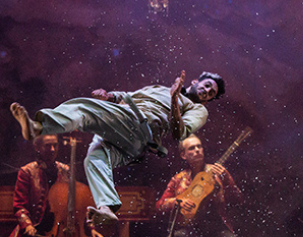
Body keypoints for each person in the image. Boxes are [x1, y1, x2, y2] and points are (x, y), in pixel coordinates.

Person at [9, 70, 224, 226]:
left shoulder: (198, 110)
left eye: (211, 93)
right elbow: (127, 96)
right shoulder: (160, 88)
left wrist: (175, 100)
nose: (206, 92)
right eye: (206, 86)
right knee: (95, 158)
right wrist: (109, 96)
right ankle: (107, 206)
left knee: (84, 109)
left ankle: (39, 127)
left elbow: (179, 132)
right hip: (129, 137)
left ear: (209, 100)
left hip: (142, 127)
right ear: (196, 81)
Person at [0, 135, 110, 237]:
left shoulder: (65, 170)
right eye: (47, 146)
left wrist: (91, 229)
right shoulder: (26, 172)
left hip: (63, 228)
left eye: (55, 145)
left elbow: (79, 205)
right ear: (37, 148)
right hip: (37, 228)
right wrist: (28, 226)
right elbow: (19, 206)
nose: (52, 149)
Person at [155, 135, 245, 237]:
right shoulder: (178, 179)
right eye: (192, 148)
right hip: (190, 229)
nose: (197, 150)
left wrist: (227, 181)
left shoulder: (219, 173)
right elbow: (159, 206)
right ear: (183, 155)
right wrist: (178, 202)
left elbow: (238, 199)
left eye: (199, 146)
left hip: (216, 229)